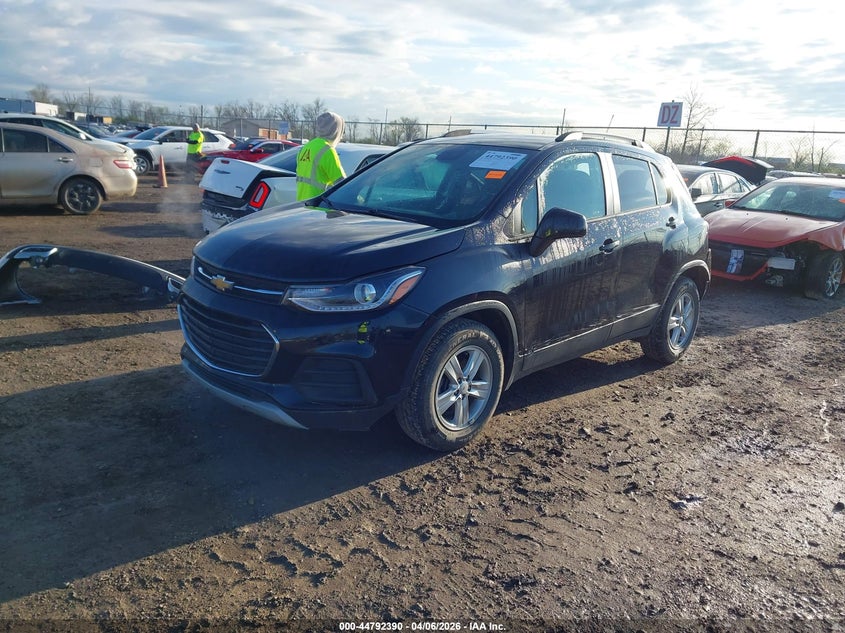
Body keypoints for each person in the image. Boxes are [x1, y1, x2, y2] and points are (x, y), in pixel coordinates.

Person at [295, 112, 346, 200]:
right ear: (335, 131)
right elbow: (343, 185)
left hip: (301, 204)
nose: (341, 137)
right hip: (318, 206)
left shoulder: (306, 147)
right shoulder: (327, 150)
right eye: (341, 131)